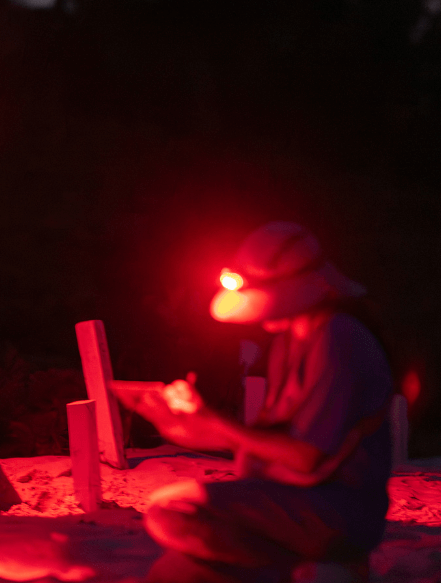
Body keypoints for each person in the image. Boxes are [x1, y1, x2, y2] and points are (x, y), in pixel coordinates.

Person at [136, 222, 393, 583]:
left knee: (172, 512)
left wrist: (214, 419)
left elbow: (305, 456)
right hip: (284, 498)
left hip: (335, 510)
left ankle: (313, 571)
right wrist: (181, 426)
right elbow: (263, 443)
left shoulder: (339, 338)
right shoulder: (288, 343)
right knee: (172, 572)